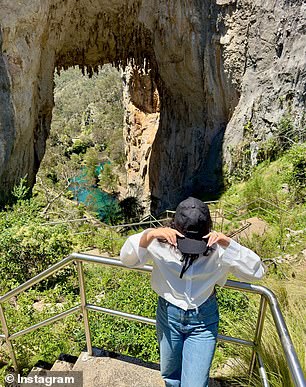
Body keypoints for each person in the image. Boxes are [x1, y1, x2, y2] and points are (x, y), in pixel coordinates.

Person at [120, 197, 265, 387]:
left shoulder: (219, 249)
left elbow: (257, 272)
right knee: (170, 375)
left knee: (195, 383)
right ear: (173, 229)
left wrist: (229, 244)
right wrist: (149, 235)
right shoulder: (160, 242)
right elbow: (127, 259)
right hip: (168, 315)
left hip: (203, 320)